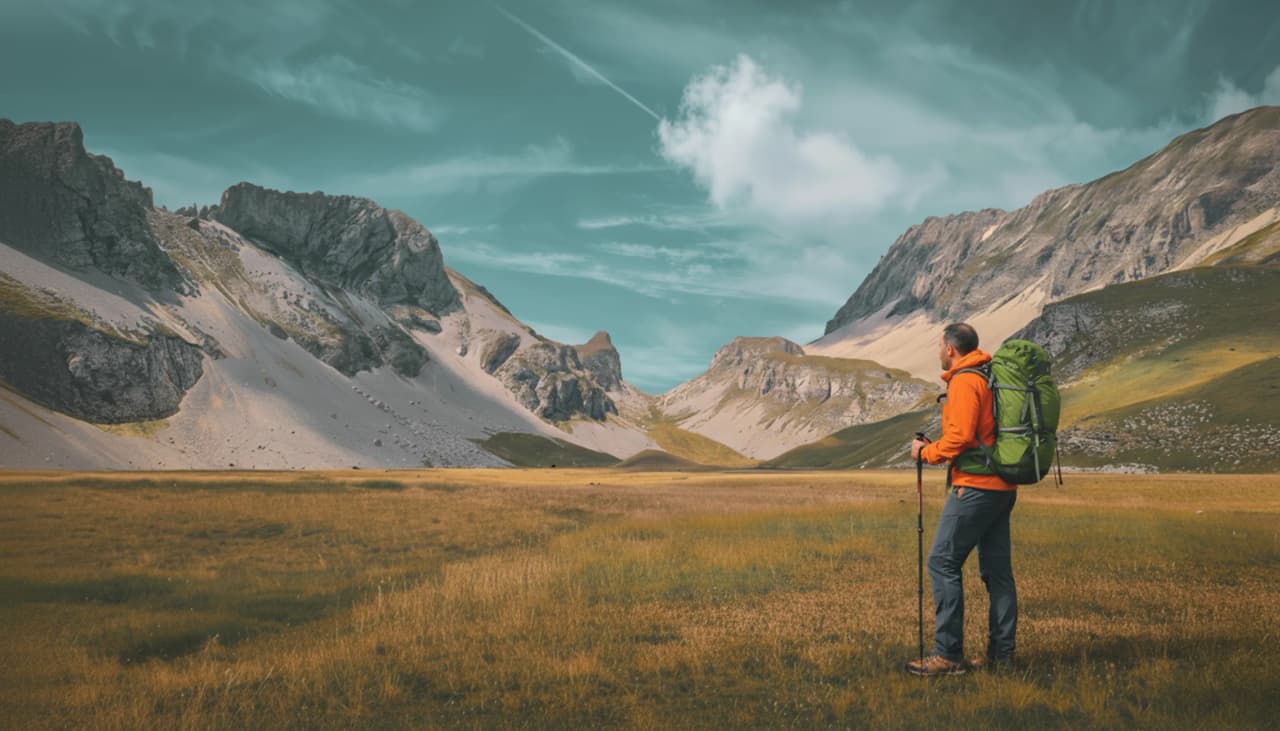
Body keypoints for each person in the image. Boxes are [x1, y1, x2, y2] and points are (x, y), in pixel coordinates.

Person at [906, 322, 1017, 676]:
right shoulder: (986, 376)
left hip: (975, 488)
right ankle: (1002, 657)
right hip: (1001, 488)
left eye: (939, 346)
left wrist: (925, 453)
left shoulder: (966, 380)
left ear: (950, 349)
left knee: (942, 563)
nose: (939, 351)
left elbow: (960, 437)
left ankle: (948, 655)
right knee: (998, 573)